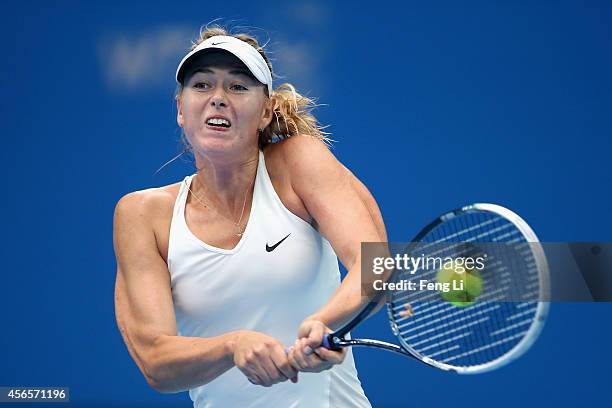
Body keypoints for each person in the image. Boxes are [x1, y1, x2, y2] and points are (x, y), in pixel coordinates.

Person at [113, 25, 387, 408]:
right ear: (180, 109)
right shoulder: (142, 214)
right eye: (202, 85)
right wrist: (233, 345)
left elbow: (376, 265)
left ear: (266, 111)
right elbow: (156, 362)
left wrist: (321, 322)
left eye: (238, 87)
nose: (218, 99)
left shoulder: (298, 162)